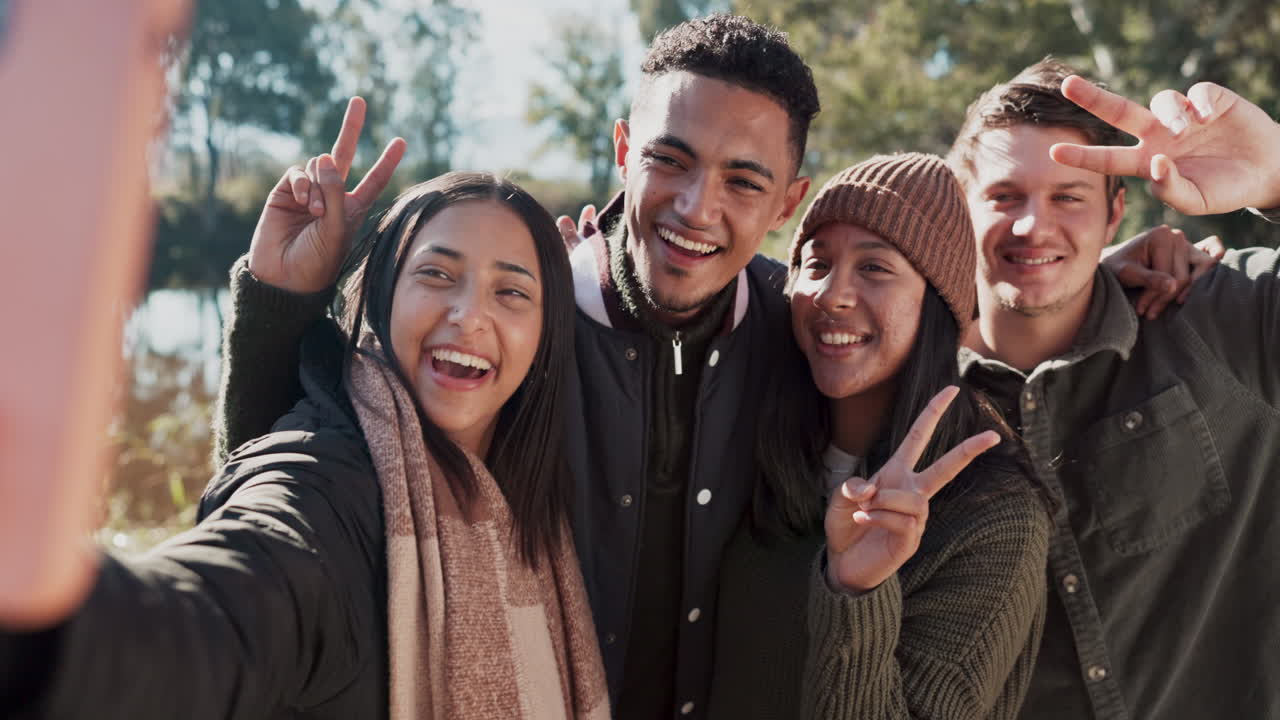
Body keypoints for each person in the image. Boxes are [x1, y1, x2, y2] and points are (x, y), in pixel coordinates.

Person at [214, 15, 817, 718]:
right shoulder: (509, 327)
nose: (696, 207)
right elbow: (309, 474)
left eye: (743, 182)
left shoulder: (806, 336)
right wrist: (282, 303)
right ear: (624, 150)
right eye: (670, 160)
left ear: (788, 202)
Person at [2, 139, 609, 717]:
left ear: (547, 334)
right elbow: (212, 617)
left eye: (512, 291)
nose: (470, 315)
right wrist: (40, 627)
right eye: (437, 274)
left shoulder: (539, 495)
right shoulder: (326, 485)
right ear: (382, 295)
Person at [946, 59, 1280, 718]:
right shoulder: (906, 397)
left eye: (1068, 197)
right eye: (1005, 196)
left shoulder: (1224, 321)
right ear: (960, 210)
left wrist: (1277, 179)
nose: (1033, 226)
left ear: (1115, 211)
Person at [707, 154, 1050, 719]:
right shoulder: (753, 445)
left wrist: (857, 592)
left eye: (874, 268)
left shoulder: (995, 514)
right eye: (817, 263)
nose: (832, 295)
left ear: (937, 303)